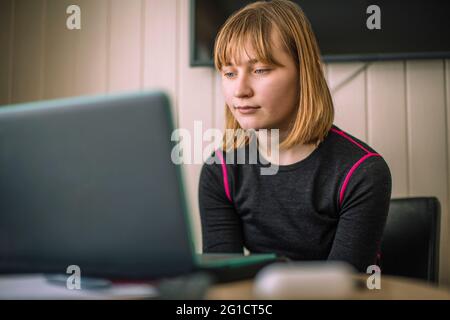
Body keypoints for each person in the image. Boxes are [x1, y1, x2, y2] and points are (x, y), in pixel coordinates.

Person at [198, 0, 392, 272]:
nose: (239, 90)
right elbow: (224, 282)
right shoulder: (219, 172)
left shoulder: (363, 173)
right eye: (229, 72)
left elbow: (343, 290)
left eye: (260, 70)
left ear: (304, 73)